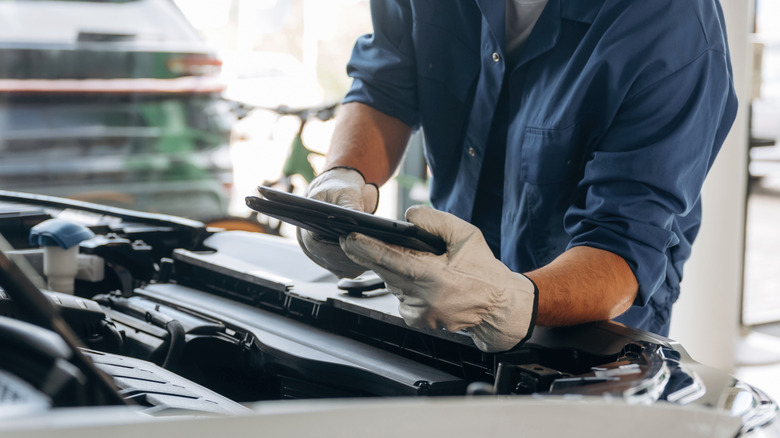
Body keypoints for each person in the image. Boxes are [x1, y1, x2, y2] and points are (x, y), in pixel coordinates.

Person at [297, 0, 738, 353]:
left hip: (587, 340)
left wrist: (505, 301)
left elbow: (621, 246)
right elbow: (386, 84)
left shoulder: (672, 24)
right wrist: (344, 178)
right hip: (443, 310)